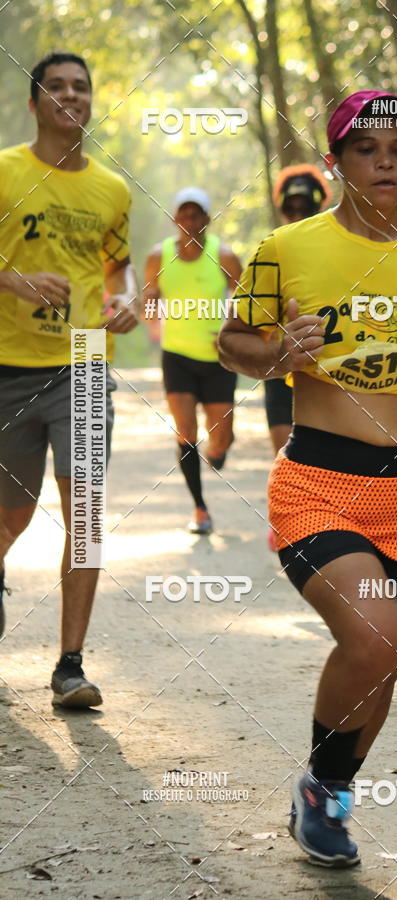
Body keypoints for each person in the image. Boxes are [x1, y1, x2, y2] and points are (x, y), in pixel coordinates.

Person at [219, 90, 397, 867]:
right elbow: (231, 341)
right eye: (367, 150)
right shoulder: (287, 248)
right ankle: (325, 796)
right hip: (317, 481)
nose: (386, 163)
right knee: (372, 640)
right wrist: (278, 357)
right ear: (337, 162)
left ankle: (326, 790)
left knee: (388, 662)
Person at [0, 52, 139, 706]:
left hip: (85, 359)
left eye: (80, 87)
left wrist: (127, 302)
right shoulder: (4, 171)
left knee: (84, 517)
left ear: (90, 103)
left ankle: (69, 667)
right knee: (11, 518)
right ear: (35, 103)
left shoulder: (111, 191)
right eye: (55, 86)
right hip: (8, 364)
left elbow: (118, 271)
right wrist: (13, 280)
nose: (69, 95)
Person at [144, 188, 242, 535]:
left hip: (218, 359)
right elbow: (149, 306)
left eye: (196, 214)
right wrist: (151, 305)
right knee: (186, 432)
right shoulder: (159, 257)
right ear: (175, 219)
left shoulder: (225, 256)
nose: (189, 221)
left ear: (206, 219)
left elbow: (247, 304)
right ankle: (200, 509)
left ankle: (220, 449)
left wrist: (233, 331)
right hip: (178, 356)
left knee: (221, 437)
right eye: (183, 214)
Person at [265, 165, 331, 549]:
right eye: (291, 208)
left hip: (330, 369)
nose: (297, 214)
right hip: (282, 363)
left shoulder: (341, 245)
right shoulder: (272, 247)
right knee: (284, 449)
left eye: (305, 207)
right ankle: (287, 517)